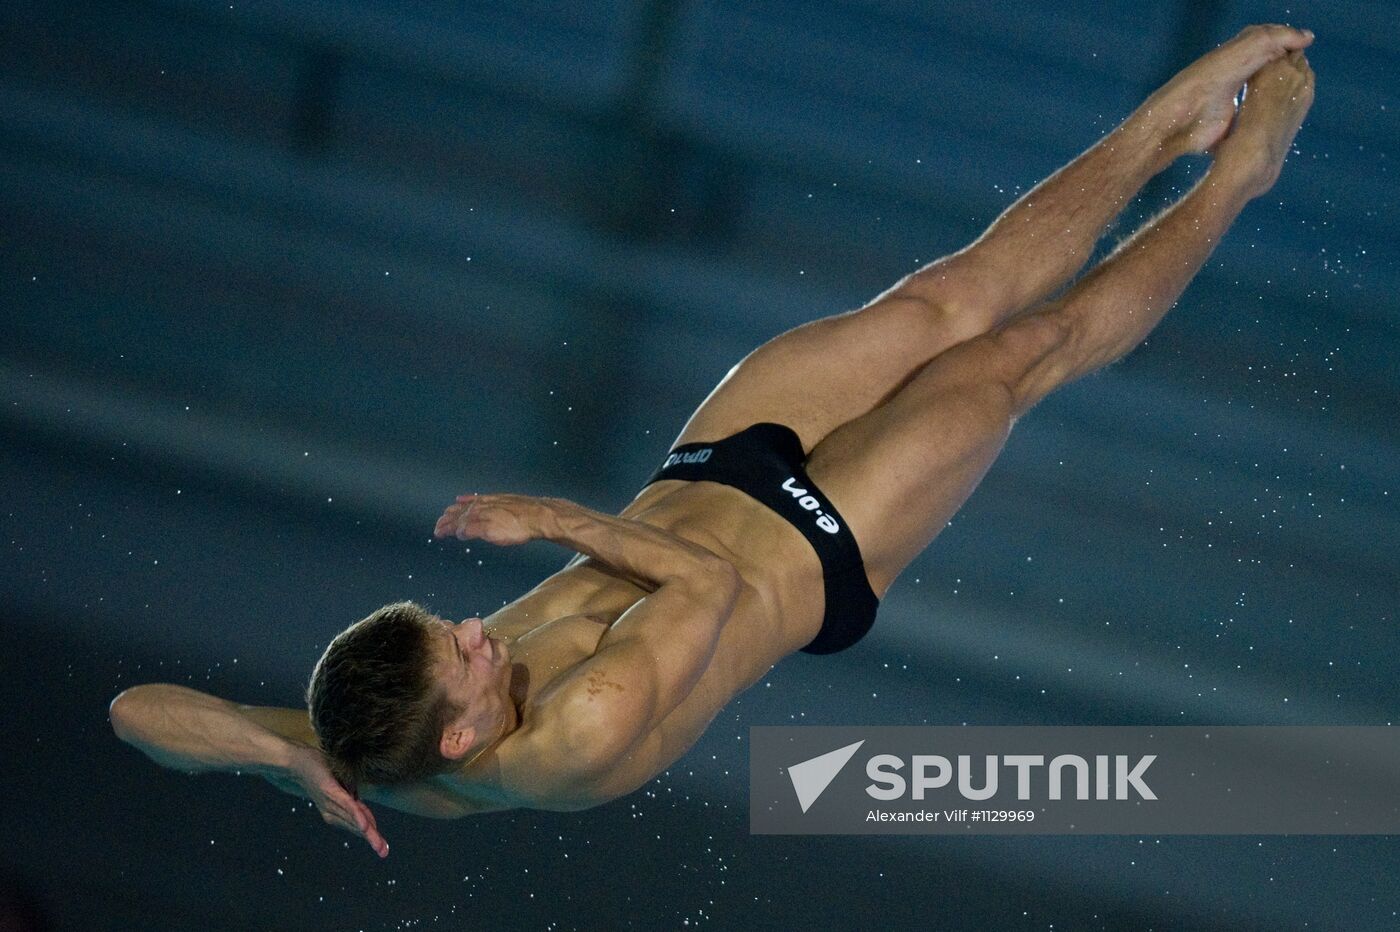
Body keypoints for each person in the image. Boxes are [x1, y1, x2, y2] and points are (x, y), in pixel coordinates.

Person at [110, 25, 1315, 858]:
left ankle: (1161, 130)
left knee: (936, 303)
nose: (477, 626)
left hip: (703, 471)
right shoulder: (578, 729)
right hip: (814, 550)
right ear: (468, 734)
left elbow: (135, 711)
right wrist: (555, 519)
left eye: (449, 623)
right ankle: (1232, 182)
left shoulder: (384, 742)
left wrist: (280, 760)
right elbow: (713, 580)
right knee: (1015, 357)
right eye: (463, 653)